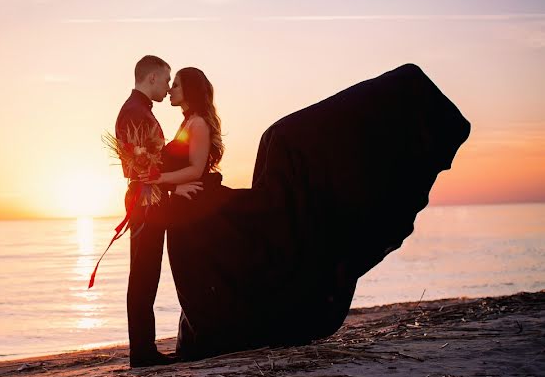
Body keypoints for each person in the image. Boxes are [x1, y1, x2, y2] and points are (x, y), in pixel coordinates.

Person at [145, 63, 471, 360]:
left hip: (192, 206)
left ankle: (216, 331)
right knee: (199, 274)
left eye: (176, 85)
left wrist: (155, 178)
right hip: (185, 209)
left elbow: (196, 168)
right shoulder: (187, 123)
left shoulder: (197, 123)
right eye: (170, 85)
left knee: (280, 139)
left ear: (190, 90)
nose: (171, 90)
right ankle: (204, 332)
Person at [114, 55, 202, 368]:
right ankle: (142, 353)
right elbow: (141, 169)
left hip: (148, 200)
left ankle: (144, 349)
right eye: (165, 80)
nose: (167, 87)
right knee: (142, 276)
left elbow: (146, 165)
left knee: (146, 274)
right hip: (144, 202)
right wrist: (172, 187)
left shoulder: (137, 110)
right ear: (151, 78)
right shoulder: (136, 112)